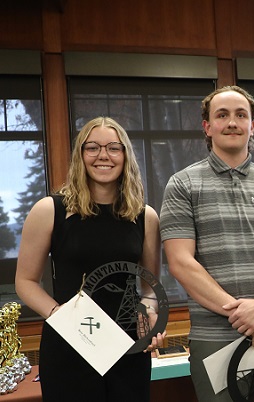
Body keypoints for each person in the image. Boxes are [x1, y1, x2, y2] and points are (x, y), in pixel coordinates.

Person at [160, 85, 254, 402]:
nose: (232, 122)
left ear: (253, 125)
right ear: (207, 127)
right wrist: (246, 315)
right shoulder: (182, 184)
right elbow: (181, 263)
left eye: (241, 115)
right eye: (222, 115)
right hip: (215, 337)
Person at [15, 116, 163, 402]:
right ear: (80, 155)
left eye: (113, 148)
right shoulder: (50, 210)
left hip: (127, 347)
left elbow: (148, 288)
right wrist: (62, 317)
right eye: (92, 147)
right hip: (69, 344)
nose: (103, 156)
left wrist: (149, 313)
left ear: (125, 156)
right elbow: (25, 281)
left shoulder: (145, 217)